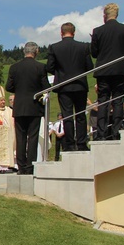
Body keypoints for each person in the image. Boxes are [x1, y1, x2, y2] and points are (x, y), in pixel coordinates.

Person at [46, 22, 93, 151]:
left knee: (67, 116)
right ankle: (82, 143)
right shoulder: (83, 47)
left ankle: (69, 144)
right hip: (80, 85)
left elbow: (49, 67)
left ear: (61, 33)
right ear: (74, 32)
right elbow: (90, 67)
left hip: (63, 86)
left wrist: (61, 72)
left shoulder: (54, 47)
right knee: (81, 115)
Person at [6, 42, 50, 175]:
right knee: (33, 137)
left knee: (20, 138)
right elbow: (46, 86)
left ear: (24, 51)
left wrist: (19, 89)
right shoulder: (40, 67)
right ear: (36, 51)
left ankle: (21, 166)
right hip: (34, 106)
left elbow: (9, 87)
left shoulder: (14, 67)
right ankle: (30, 166)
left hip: (19, 106)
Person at [91, 3, 124, 140]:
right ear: (117, 15)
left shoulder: (97, 31)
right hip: (121, 70)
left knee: (103, 101)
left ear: (105, 15)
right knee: (118, 101)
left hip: (103, 70)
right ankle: (116, 131)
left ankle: (101, 133)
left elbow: (94, 53)